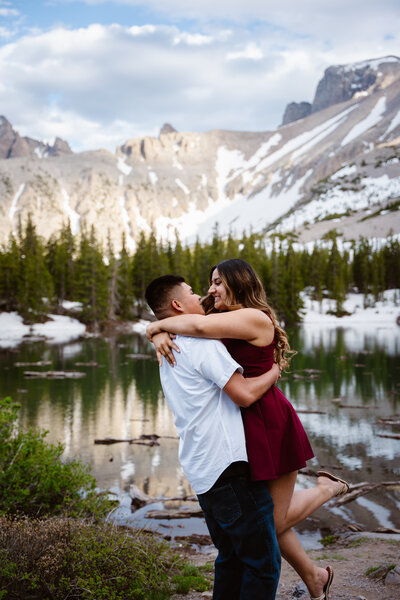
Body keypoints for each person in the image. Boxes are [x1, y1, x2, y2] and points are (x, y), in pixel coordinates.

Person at [146, 259, 350, 600]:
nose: (210, 290)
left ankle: (326, 489)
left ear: (237, 283)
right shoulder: (216, 321)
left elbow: (193, 327)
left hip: (268, 419)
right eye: (205, 285)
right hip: (242, 425)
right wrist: (156, 331)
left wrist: (157, 329)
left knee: (269, 523)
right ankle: (315, 578)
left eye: (216, 283)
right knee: (264, 523)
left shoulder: (254, 317)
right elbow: (190, 325)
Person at [144, 274, 281, 600]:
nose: (201, 296)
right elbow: (245, 395)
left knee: (231, 559)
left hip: (201, 469)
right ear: (178, 304)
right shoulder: (201, 345)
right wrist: (274, 371)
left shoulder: (168, 346)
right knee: (263, 564)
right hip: (228, 467)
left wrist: (154, 330)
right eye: (192, 292)